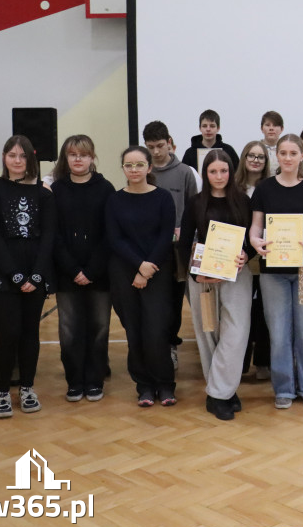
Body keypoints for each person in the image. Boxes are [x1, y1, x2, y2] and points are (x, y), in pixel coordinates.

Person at [249, 134, 303, 409]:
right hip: (273, 272)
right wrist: (255, 241)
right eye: (282, 153)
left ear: (301, 156)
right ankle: (283, 389)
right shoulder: (264, 189)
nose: (287, 158)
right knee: (279, 334)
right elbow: (255, 227)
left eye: (292, 153)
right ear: (277, 156)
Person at [0, 135, 55, 418]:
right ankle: (2, 393)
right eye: (12, 155)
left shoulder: (44, 193)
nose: (17, 160)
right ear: (4, 158)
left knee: (29, 334)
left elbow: (48, 236)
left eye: (23, 156)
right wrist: (15, 275)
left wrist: (35, 275)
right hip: (4, 274)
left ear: (30, 159)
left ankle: (27, 388)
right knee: (9, 333)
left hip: (35, 274)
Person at [179, 150, 254, 420]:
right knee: (208, 333)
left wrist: (248, 255)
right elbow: (185, 241)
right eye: (213, 171)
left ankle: (220, 390)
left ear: (231, 172)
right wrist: (195, 274)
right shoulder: (196, 203)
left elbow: (251, 241)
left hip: (236, 275)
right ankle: (221, 392)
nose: (219, 176)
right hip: (203, 278)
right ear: (206, 174)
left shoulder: (243, 202)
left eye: (224, 171)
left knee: (235, 334)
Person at [106, 146, 177, 407]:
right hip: (124, 272)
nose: (134, 169)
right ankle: (144, 386)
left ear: (149, 167)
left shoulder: (163, 198)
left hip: (157, 272)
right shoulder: (114, 200)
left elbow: (165, 235)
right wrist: (138, 266)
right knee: (134, 331)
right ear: (123, 169)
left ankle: (166, 384)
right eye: (129, 165)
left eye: (139, 165)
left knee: (156, 331)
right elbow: (115, 238)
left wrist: (147, 268)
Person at [50, 135, 115, 402]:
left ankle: (94, 380)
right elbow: (53, 235)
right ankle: (75, 381)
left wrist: (91, 270)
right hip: (67, 274)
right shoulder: (56, 190)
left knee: (99, 328)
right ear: (66, 159)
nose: (78, 159)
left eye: (83, 154)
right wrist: (73, 269)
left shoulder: (106, 188)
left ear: (92, 158)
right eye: (72, 154)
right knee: (69, 330)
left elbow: (110, 234)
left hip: (99, 274)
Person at [143, 120, 200, 369]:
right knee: (154, 303)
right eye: (150, 146)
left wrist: (184, 234)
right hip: (148, 251)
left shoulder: (185, 172)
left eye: (159, 145)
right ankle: (152, 347)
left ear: (169, 143)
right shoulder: (143, 171)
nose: (156, 151)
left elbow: (193, 210)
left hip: (177, 252)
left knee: (175, 302)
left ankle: (171, 346)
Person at [235, 140, 272, 381]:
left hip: (266, 257)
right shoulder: (233, 188)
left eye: (260, 157)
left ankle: (263, 362)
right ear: (244, 158)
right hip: (238, 259)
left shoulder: (271, 187)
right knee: (241, 313)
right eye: (251, 155)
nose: (255, 160)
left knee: (263, 313)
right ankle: (239, 364)